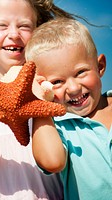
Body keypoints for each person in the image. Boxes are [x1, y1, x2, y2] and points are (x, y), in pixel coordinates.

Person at [0, 0, 75, 199]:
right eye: (2, 25)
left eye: (24, 26)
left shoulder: (48, 85)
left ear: (38, 32)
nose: (14, 34)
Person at [25, 17, 112, 200]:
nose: (73, 89)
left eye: (80, 72)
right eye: (57, 82)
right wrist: (40, 103)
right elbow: (52, 162)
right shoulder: (59, 128)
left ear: (100, 66)